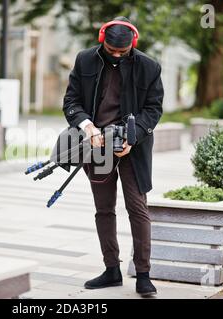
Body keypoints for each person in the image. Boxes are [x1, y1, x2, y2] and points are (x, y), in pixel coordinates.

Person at [62, 16, 164, 296]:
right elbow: (71, 101)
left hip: (135, 147)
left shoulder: (150, 67)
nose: (117, 56)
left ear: (133, 43)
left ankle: (143, 274)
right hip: (96, 146)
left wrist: (134, 137)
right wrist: (88, 127)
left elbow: (153, 110)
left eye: (123, 51)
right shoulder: (84, 60)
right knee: (104, 209)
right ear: (102, 41)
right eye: (111, 50)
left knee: (137, 208)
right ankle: (111, 270)